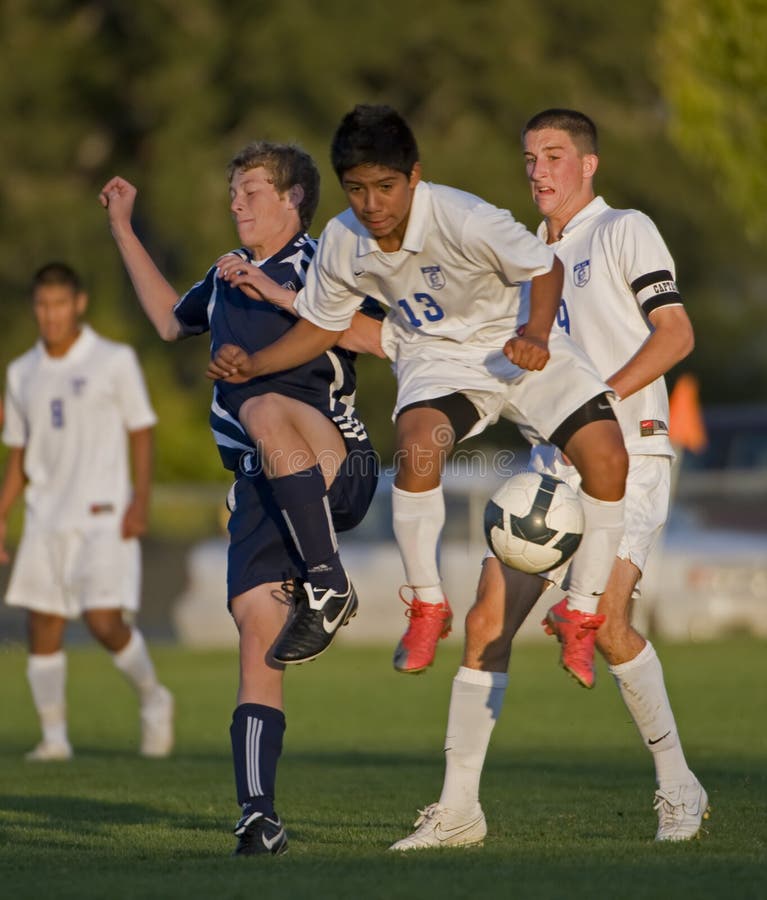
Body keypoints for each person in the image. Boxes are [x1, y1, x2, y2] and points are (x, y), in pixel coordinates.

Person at [208, 103, 629, 681]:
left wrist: (534, 333)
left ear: (414, 176)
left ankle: (578, 615)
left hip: (514, 340)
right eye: (356, 189)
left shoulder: (464, 216)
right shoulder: (341, 240)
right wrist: (254, 363)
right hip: (438, 357)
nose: (372, 204)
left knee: (608, 458)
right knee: (417, 444)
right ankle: (428, 606)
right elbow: (322, 328)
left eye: (386, 186)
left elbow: (545, 266)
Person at [389, 108, 707, 851]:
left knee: (606, 623)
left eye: (554, 155)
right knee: (483, 624)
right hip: (545, 465)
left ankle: (677, 786)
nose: (538, 170)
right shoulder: (523, 254)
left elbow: (677, 335)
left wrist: (594, 411)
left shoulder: (624, 228)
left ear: (587, 164)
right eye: (529, 157)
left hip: (631, 450)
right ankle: (458, 812)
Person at [99, 140, 380, 856]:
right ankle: (259, 816)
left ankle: (327, 580)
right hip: (263, 483)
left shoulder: (330, 258)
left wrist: (282, 299)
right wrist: (125, 230)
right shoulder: (225, 275)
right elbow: (169, 321)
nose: (236, 202)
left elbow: (390, 340)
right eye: (234, 191)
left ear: (290, 200)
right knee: (259, 636)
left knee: (256, 402)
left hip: (335, 462)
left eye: (251, 190)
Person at [0, 262, 173, 761]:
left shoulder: (112, 360)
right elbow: (18, 452)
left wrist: (141, 500)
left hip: (103, 512)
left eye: (59, 304)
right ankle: (54, 738)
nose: (50, 315)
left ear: (78, 304)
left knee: (103, 621)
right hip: (44, 516)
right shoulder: (21, 372)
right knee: (43, 626)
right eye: (42, 304)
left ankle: (153, 698)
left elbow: (141, 430)